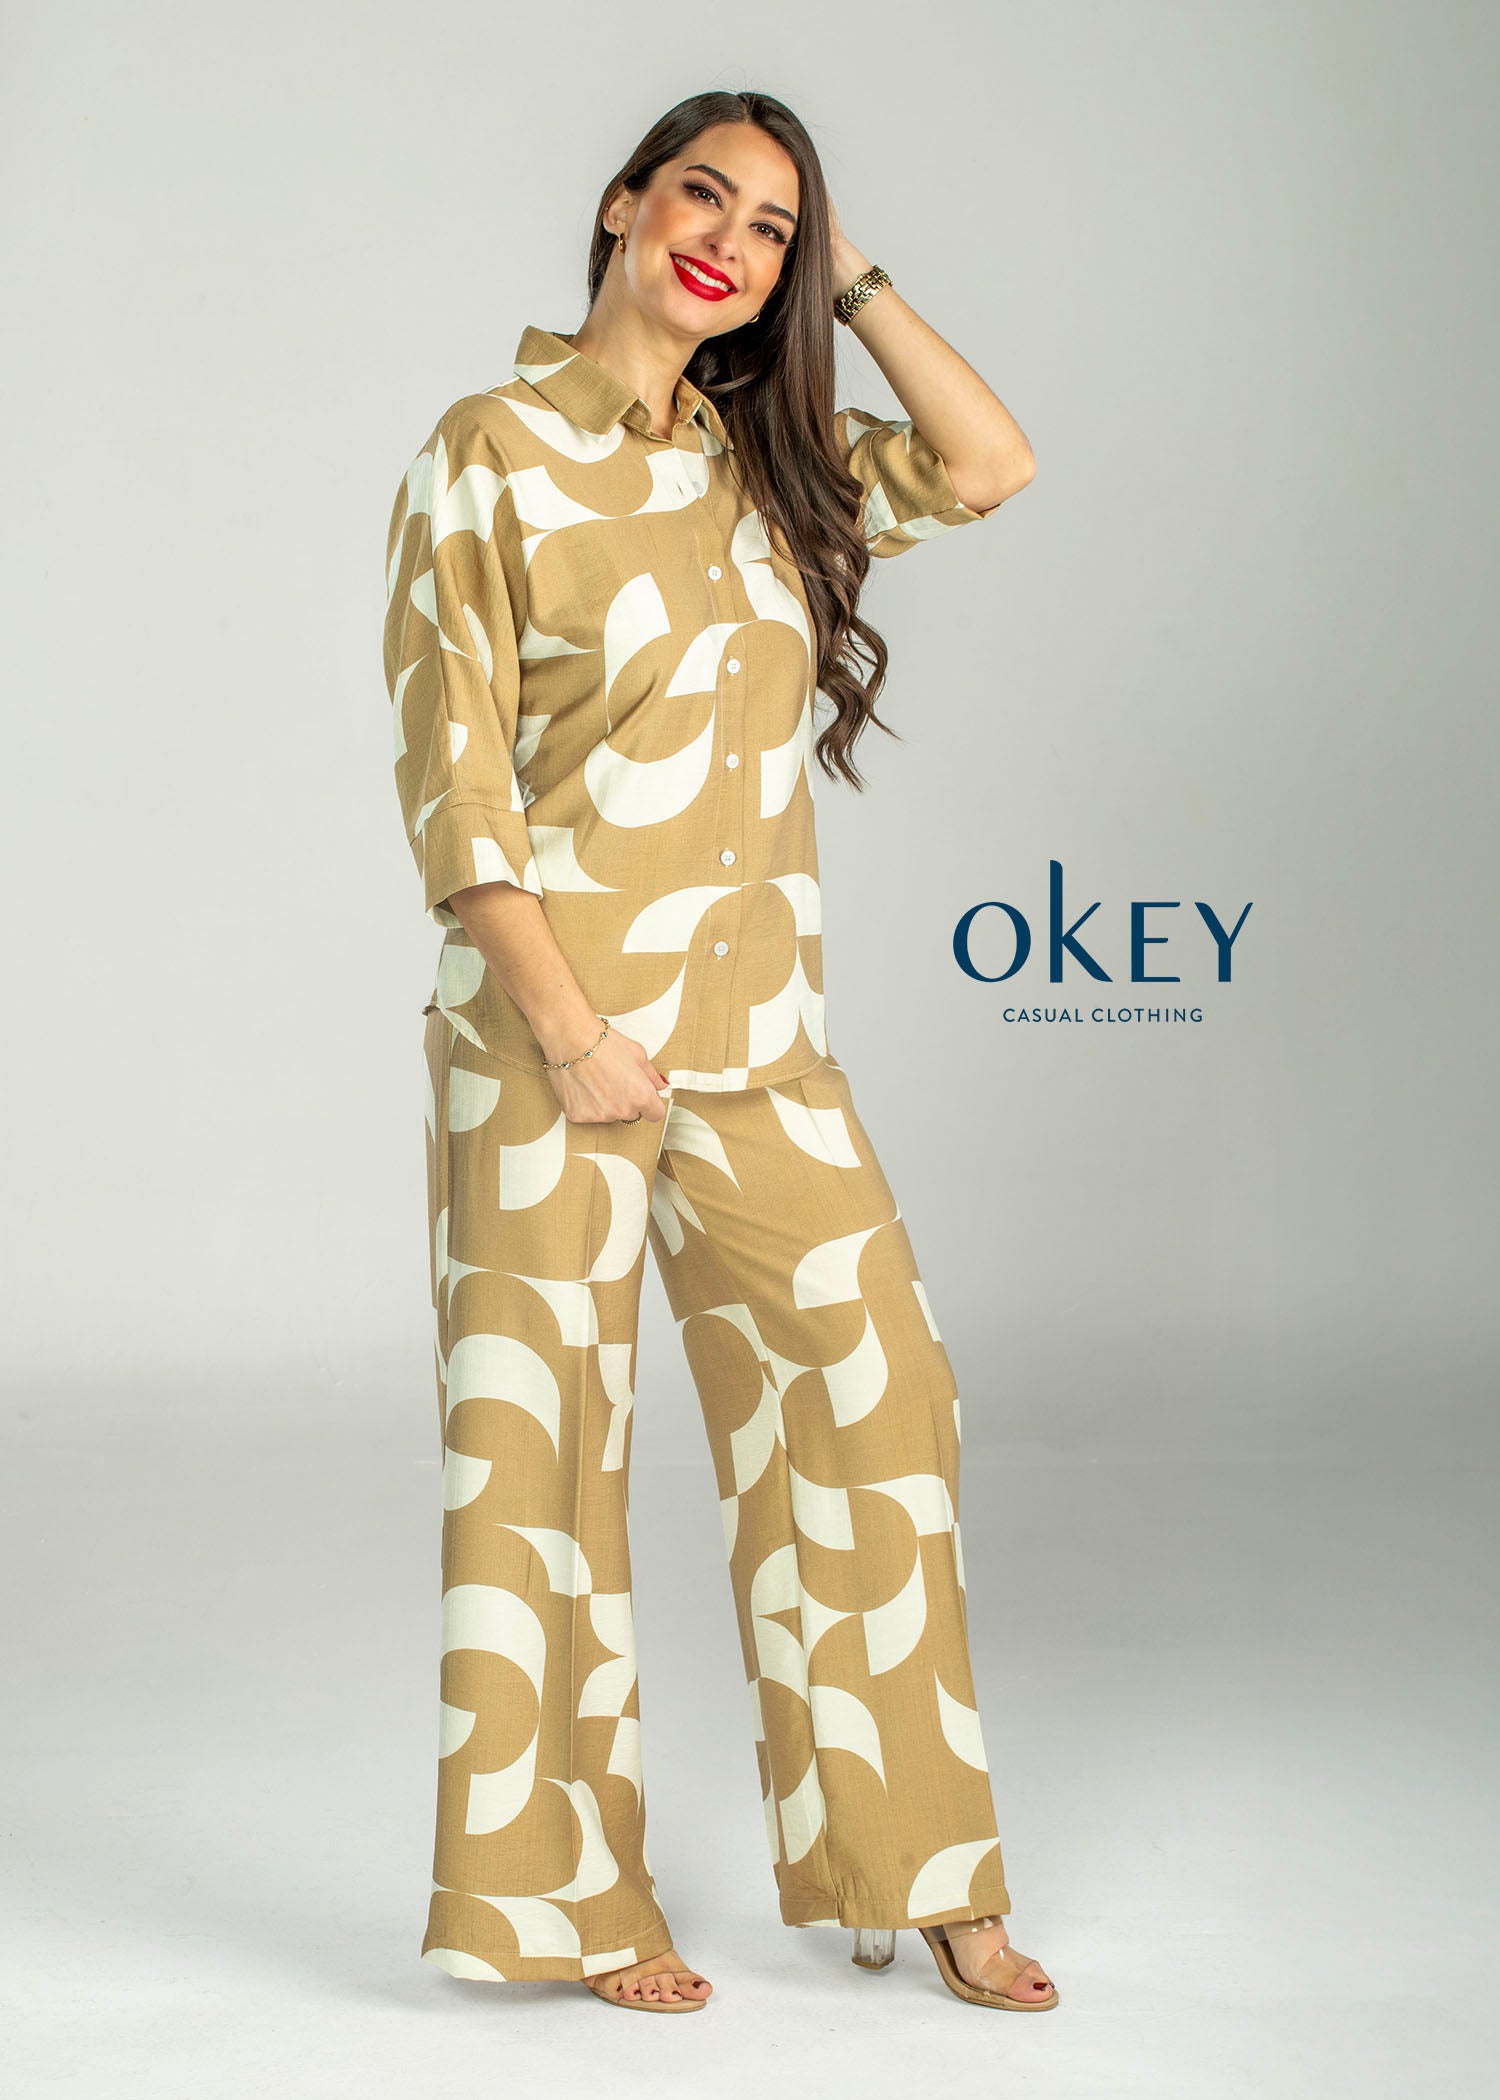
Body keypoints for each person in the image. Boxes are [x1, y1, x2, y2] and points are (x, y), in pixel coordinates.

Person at [382, 86, 1050, 2017]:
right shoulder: (489, 451)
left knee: (879, 1410)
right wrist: (572, 1031)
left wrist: (854, 281)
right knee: (540, 1469)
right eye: (704, 198)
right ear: (622, 204)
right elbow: (458, 787)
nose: (730, 245)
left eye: (771, 229)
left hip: (760, 1047)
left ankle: (915, 1863)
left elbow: (991, 461)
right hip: (549, 1045)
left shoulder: (770, 471)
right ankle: (580, 1904)